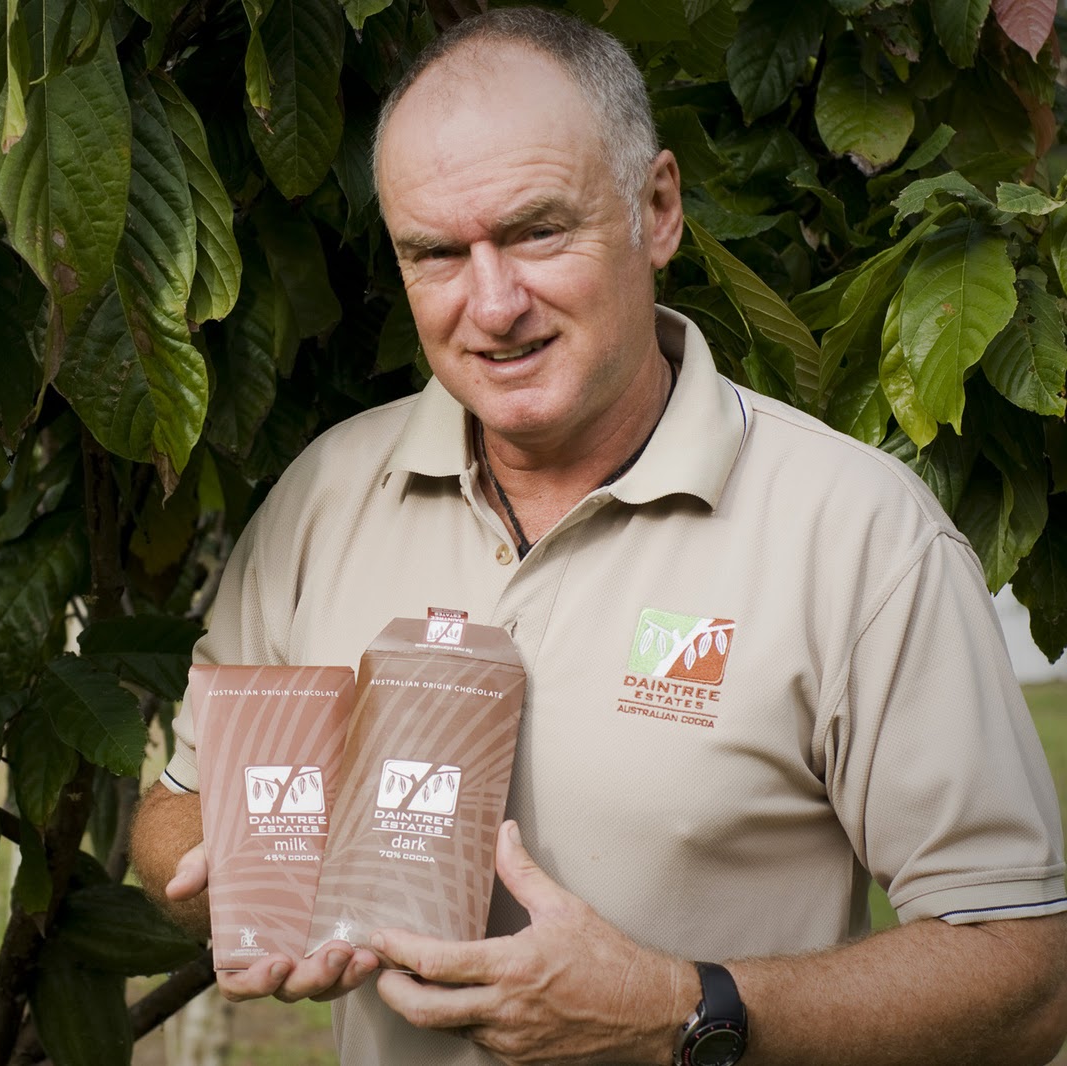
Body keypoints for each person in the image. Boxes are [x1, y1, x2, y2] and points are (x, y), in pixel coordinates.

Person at [129, 8, 1067, 1065]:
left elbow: (1027, 974)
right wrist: (246, 874)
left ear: (656, 209)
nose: (493, 305)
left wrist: (678, 1009)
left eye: (536, 232)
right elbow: (178, 809)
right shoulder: (325, 494)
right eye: (436, 253)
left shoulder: (858, 534)